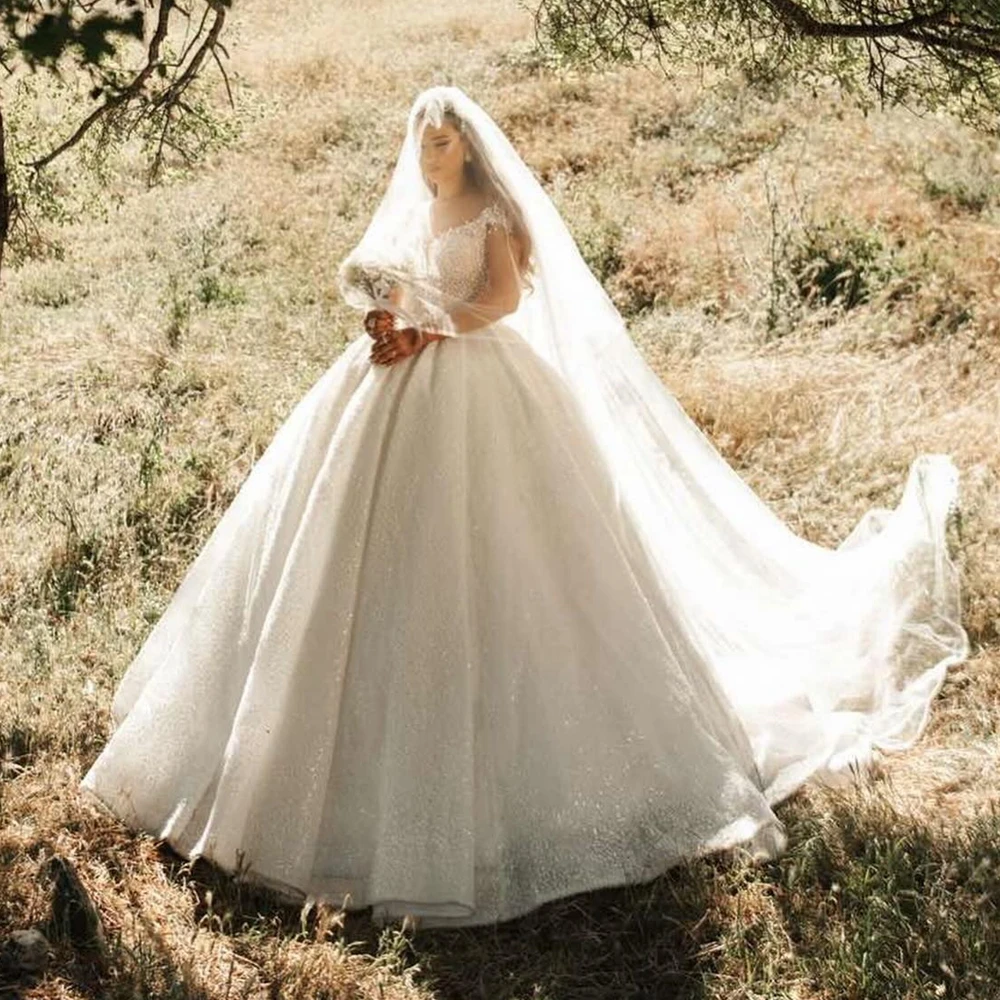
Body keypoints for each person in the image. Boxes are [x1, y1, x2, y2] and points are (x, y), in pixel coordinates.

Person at [79, 85, 970, 931]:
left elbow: (501, 301)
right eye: (420, 145)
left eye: (442, 143)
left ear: (468, 145)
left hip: (479, 387)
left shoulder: (491, 217)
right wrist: (388, 320)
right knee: (359, 554)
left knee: (503, 555)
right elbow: (403, 287)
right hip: (397, 392)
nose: (428, 158)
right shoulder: (419, 212)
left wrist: (430, 325)